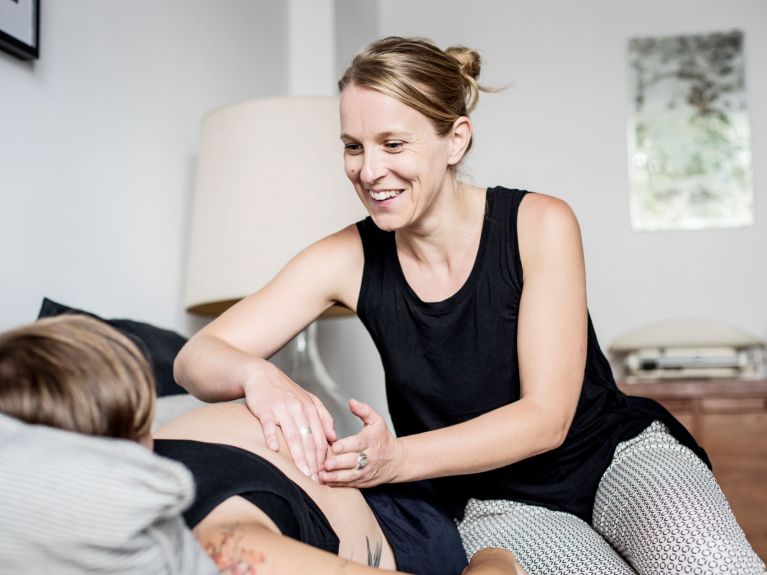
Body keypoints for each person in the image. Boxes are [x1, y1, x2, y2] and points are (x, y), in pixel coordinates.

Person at [174, 35, 766, 574]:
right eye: (352, 146)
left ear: (455, 139)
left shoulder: (539, 223)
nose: (368, 170)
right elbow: (196, 358)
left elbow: (547, 419)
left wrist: (394, 459)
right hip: (494, 500)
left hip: (615, 456)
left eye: (393, 143)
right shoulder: (347, 256)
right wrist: (258, 375)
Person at [0, 314, 523, 575]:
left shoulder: (159, 443)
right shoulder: (224, 543)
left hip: (420, 479)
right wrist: (496, 561)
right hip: (468, 522)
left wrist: (256, 374)